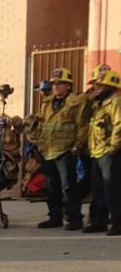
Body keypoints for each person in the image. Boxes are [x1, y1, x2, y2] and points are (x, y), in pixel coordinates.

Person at [35, 67, 91, 230]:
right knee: (51, 186)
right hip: (48, 149)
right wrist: (39, 142)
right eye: (54, 84)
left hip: (66, 149)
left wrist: (77, 146)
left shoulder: (76, 102)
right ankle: (55, 217)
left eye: (60, 84)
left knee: (69, 187)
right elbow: (42, 124)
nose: (56, 87)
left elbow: (83, 125)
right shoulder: (47, 103)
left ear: (69, 86)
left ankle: (74, 218)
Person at [84, 69, 121, 235]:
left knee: (112, 189)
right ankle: (99, 221)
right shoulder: (98, 104)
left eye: (99, 86)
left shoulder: (116, 102)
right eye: (95, 86)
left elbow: (119, 125)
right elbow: (85, 119)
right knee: (98, 190)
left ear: (110, 86)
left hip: (109, 152)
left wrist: (113, 147)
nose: (95, 89)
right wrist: (88, 101)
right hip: (97, 152)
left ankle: (118, 222)